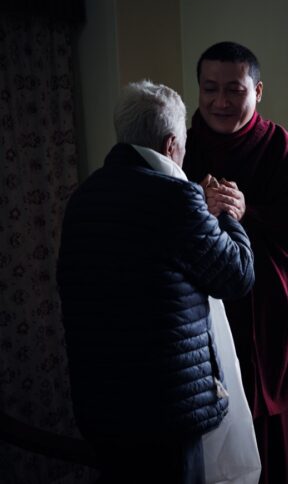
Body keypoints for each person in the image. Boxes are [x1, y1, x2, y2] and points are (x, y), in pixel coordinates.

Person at [57, 80, 255, 484]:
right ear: (170, 145)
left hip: (101, 398)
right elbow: (237, 276)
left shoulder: (84, 197)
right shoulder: (177, 200)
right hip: (164, 409)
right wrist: (230, 215)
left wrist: (197, 212)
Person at [183, 41, 288, 484]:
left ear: (258, 90)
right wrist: (197, 206)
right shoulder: (180, 145)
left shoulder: (283, 149)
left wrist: (248, 213)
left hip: (260, 318)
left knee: (263, 437)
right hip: (191, 320)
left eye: (235, 89)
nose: (221, 101)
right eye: (210, 88)